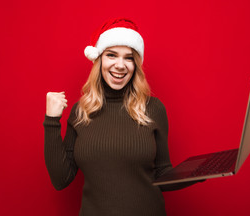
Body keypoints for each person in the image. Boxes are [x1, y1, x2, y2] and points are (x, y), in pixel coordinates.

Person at [43, 18, 200, 216]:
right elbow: (61, 179)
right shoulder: (80, 112)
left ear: (136, 64)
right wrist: (51, 121)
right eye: (111, 55)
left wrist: (199, 171)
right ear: (99, 60)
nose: (120, 65)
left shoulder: (153, 108)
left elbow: (162, 174)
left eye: (129, 58)